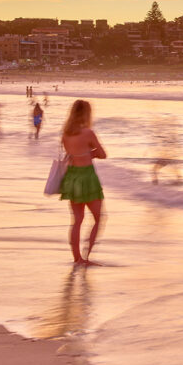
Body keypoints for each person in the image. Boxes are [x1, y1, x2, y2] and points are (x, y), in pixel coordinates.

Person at [60, 100, 106, 265]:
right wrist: (90, 154)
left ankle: (77, 258)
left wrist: (83, 153)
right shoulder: (88, 133)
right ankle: (87, 256)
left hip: (72, 177)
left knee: (77, 220)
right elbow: (102, 154)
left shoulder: (65, 134)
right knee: (98, 218)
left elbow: (71, 154)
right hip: (87, 177)